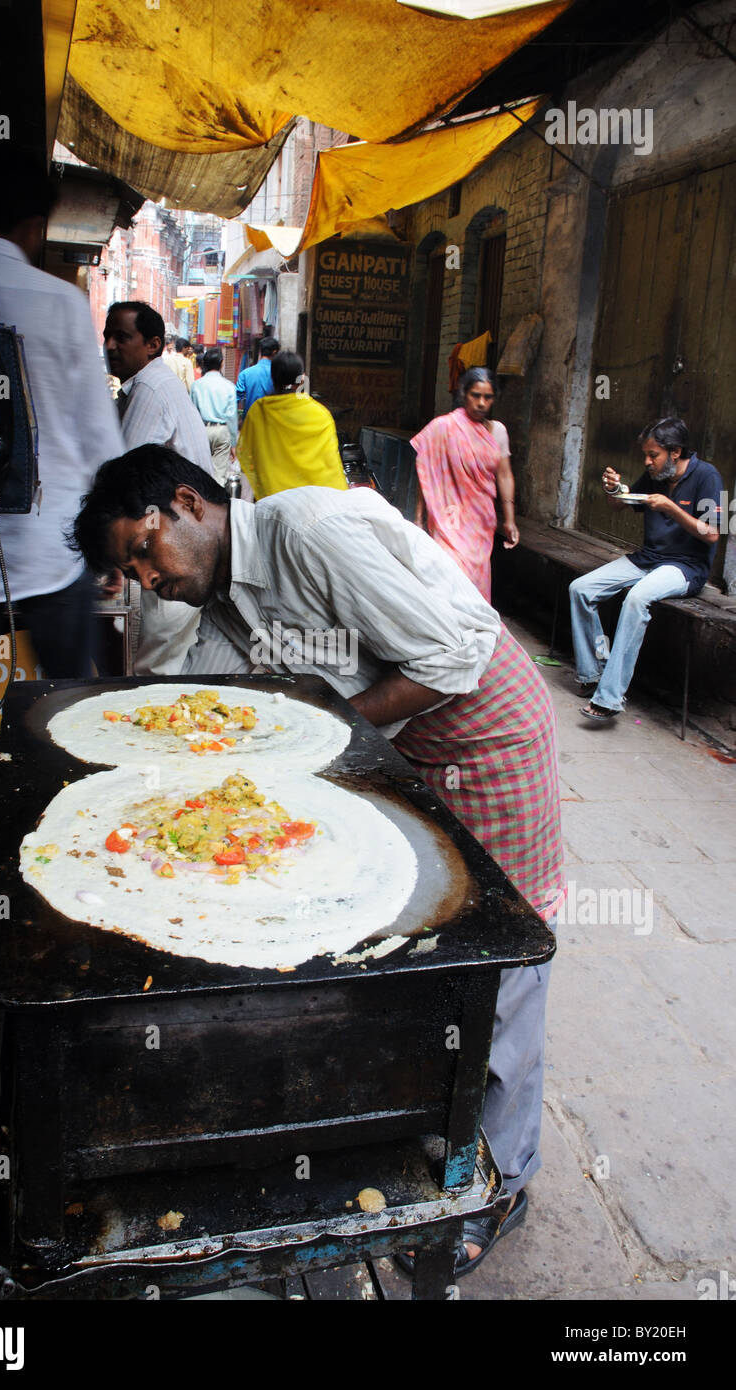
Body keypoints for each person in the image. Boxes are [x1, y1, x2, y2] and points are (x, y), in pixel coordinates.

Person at [69, 446, 564, 1276]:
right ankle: (415, 1127)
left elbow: (448, 656)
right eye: (129, 572)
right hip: (395, 745)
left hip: (483, 732)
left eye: (144, 551)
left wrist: (325, 745)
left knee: (498, 956)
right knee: (406, 942)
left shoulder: (308, 530)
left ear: (188, 502)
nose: (148, 580)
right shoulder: (222, 599)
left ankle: (501, 1183)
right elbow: (209, 707)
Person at [0, 149, 124, 907]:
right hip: (51, 552)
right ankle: (69, 855)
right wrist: (108, 543)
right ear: (32, 226)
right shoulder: (57, 301)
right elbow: (93, 437)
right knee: (63, 708)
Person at [570, 418, 723, 720]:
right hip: (648, 558)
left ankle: (610, 697)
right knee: (580, 589)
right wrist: (613, 489)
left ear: (675, 451)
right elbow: (620, 505)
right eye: (646, 455)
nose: (647, 461)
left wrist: (672, 509)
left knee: (637, 599)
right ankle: (594, 673)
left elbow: (715, 533)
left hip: (686, 567)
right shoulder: (655, 474)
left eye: (653, 455)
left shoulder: (710, 476)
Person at [102, 302, 213, 673]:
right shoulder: (153, 385)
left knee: (156, 668)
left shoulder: (150, 386)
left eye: (122, 337)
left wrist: (111, 558)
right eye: (107, 336)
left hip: (175, 545)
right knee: (165, 660)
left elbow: (124, 480)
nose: (110, 346)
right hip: (180, 541)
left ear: (152, 344)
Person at [411, 366, 519, 602]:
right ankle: (444, 631)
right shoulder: (443, 427)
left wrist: (510, 519)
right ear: (464, 394)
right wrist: (419, 518)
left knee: (474, 583)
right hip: (448, 518)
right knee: (449, 575)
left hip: (480, 521)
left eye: (487, 397)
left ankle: (472, 632)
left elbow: (504, 475)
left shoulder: (498, 431)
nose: (481, 403)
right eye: (475, 395)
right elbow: (427, 472)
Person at [237, 351, 347, 499]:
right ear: (302, 380)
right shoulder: (321, 414)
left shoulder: (258, 411)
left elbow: (246, 456)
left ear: (273, 378)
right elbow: (331, 464)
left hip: (273, 502)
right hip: (314, 503)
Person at [190, 347, 238, 484]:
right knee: (219, 475)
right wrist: (233, 444)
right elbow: (231, 417)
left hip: (201, 430)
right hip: (221, 431)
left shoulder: (196, 386)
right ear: (222, 363)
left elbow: (192, 413)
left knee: (200, 472)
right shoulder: (228, 386)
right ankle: (216, 502)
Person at [236, 336, 279, 422]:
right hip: (272, 423)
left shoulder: (245, 374)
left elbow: (235, 400)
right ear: (275, 352)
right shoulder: (279, 373)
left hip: (250, 423)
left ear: (260, 352)